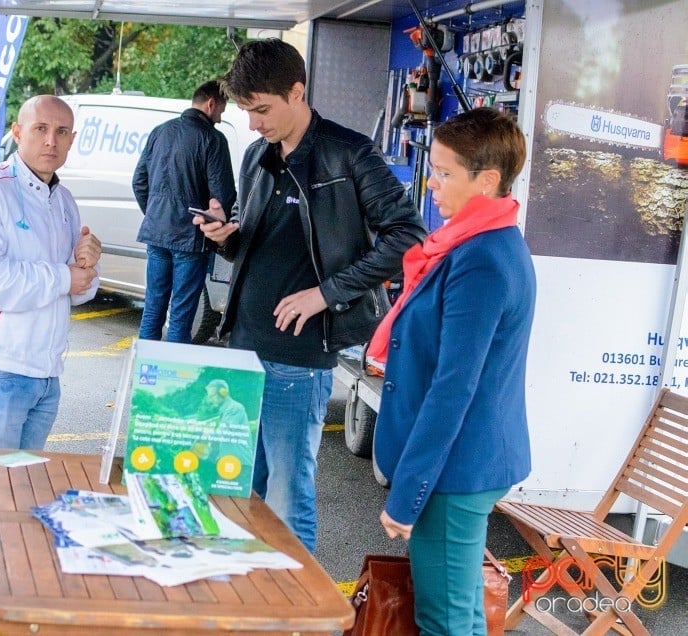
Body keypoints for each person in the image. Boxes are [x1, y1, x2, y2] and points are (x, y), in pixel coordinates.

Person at [196, 39, 427, 551]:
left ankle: (297, 623)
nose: (253, 124)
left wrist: (325, 294)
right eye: (246, 111)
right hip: (242, 346)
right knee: (237, 490)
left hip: (297, 359)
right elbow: (264, 244)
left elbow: (408, 236)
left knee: (286, 494)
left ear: (297, 92)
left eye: (261, 110)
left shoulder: (348, 152)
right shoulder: (257, 155)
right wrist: (226, 236)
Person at [368, 108, 535, 635]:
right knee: (459, 613)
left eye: (444, 173)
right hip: (464, 461)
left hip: (455, 469)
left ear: (487, 181)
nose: (431, 183)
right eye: (432, 168)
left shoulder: (481, 256)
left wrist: (407, 496)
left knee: (444, 619)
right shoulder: (478, 242)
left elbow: (453, 388)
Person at [0, 95, 102, 613]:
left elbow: (74, 291)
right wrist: (65, 276)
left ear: (73, 140)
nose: (51, 141)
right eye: (40, 128)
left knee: (22, 504)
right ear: (17, 131)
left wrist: (85, 268)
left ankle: (2, 610)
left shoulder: (65, 201)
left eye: (62, 132)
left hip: (43, 373)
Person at [132, 80, 236, 343]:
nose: (221, 117)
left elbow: (139, 181)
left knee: (153, 308)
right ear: (211, 104)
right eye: (222, 110)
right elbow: (222, 197)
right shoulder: (213, 139)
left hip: (156, 234)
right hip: (191, 240)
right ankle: (170, 380)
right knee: (180, 315)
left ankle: (145, 376)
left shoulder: (159, 132)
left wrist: (155, 213)